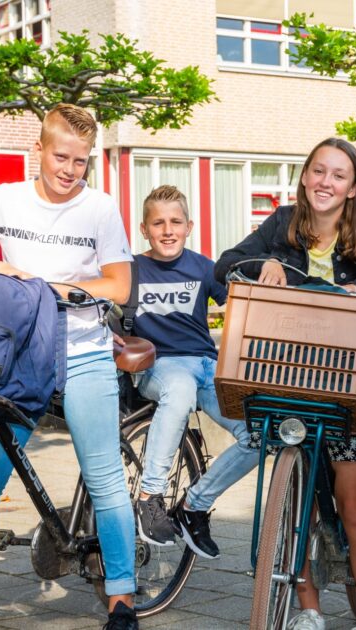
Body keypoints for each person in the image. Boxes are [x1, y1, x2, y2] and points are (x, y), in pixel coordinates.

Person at [215, 137, 356, 630]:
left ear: (353, 187)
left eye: (338, 175)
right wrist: (261, 265)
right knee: (292, 503)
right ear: (305, 175)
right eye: (319, 171)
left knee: (354, 502)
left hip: (347, 388)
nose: (325, 182)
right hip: (286, 378)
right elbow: (223, 269)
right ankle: (308, 609)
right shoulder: (280, 225)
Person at [0, 104, 138, 629]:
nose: (71, 170)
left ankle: (121, 597)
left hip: (84, 348)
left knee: (104, 474)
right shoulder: (5, 199)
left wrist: (46, 287)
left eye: (82, 161)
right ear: (39, 151)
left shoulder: (99, 208)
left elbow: (118, 285)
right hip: (22, 352)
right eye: (61, 157)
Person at [132, 185, 260, 557]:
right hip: (160, 366)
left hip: (206, 366)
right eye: (158, 223)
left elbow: (241, 303)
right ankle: (149, 495)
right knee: (180, 388)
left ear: (189, 226)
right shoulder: (132, 269)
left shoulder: (203, 266)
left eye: (175, 222)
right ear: (144, 229)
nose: (167, 230)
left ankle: (193, 506)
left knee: (259, 434)